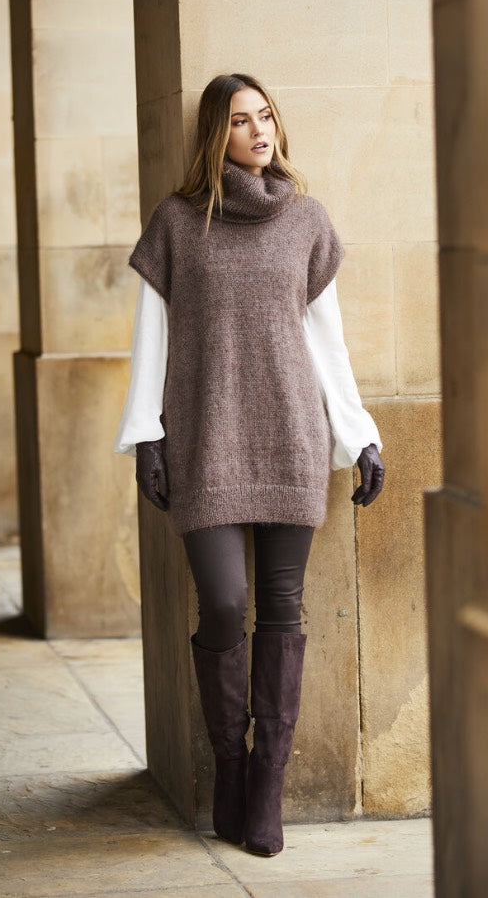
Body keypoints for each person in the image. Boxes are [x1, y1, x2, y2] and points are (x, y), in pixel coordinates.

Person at [115, 73, 384, 856]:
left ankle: (266, 783)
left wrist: (359, 432)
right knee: (226, 605)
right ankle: (228, 766)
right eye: (241, 120)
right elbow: (151, 337)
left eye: (266, 116)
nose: (260, 130)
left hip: (291, 434)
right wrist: (147, 434)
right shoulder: (175, 222)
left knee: (284, 605)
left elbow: (326, 344)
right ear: (215, 135)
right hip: (205, 438)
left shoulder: (306, 221)